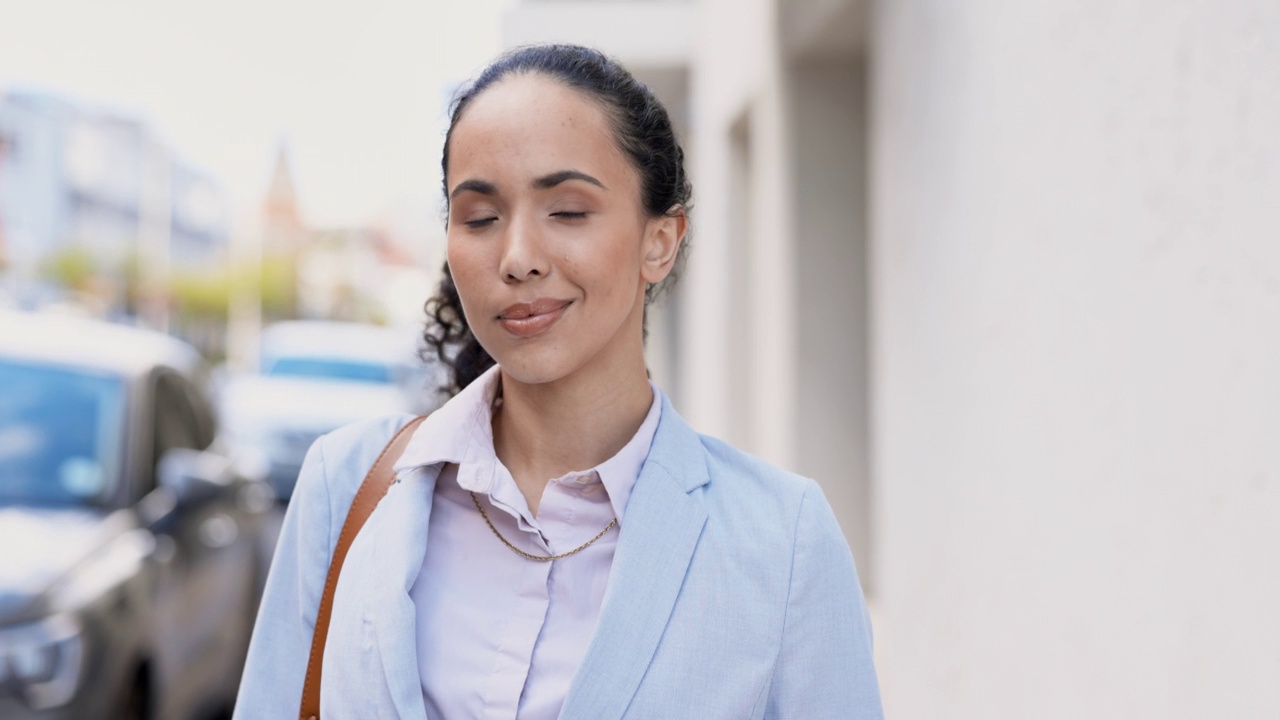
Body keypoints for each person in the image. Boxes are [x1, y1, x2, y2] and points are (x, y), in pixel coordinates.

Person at [233, 44, 882, 720]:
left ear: (660, 241)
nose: (517, 258)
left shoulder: (782, 543)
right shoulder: (346, 483)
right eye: (480, 217)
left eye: (568, 211)